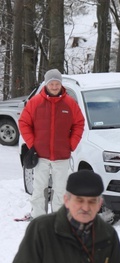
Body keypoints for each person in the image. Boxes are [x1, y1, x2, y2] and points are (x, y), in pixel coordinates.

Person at [18, 68, 85, 219]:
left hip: (62, 155)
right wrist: (32, 144)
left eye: (57, 83)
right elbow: (23, 123)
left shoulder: (70, 103)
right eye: (51, 84)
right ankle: (38, 218)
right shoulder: (35, 102)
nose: (54, 86)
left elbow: (79, 123)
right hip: (40, 155)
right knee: (39, 189)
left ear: (61, 84)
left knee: (60, 190)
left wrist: (71, 144)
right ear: (46, 84)